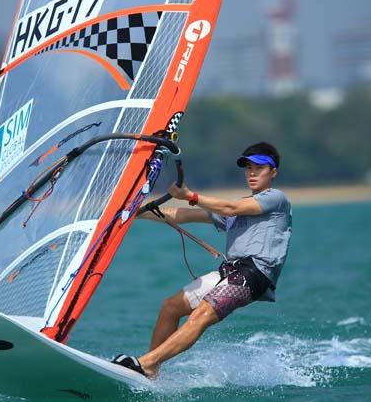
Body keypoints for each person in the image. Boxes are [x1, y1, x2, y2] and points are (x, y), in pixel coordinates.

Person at [112, 141, 292, 378]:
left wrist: (191, 195)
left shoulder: (275, 199)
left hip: (254, 274)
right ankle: (150, 370)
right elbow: (183, 214)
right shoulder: (239, 208)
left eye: (258, 168)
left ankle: (146, 363)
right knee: (170, 307)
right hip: (230, 272)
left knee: (201, 314)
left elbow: (231, 208)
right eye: (247, 167)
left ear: (273, 172)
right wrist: (133, 213)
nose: (251, 173)